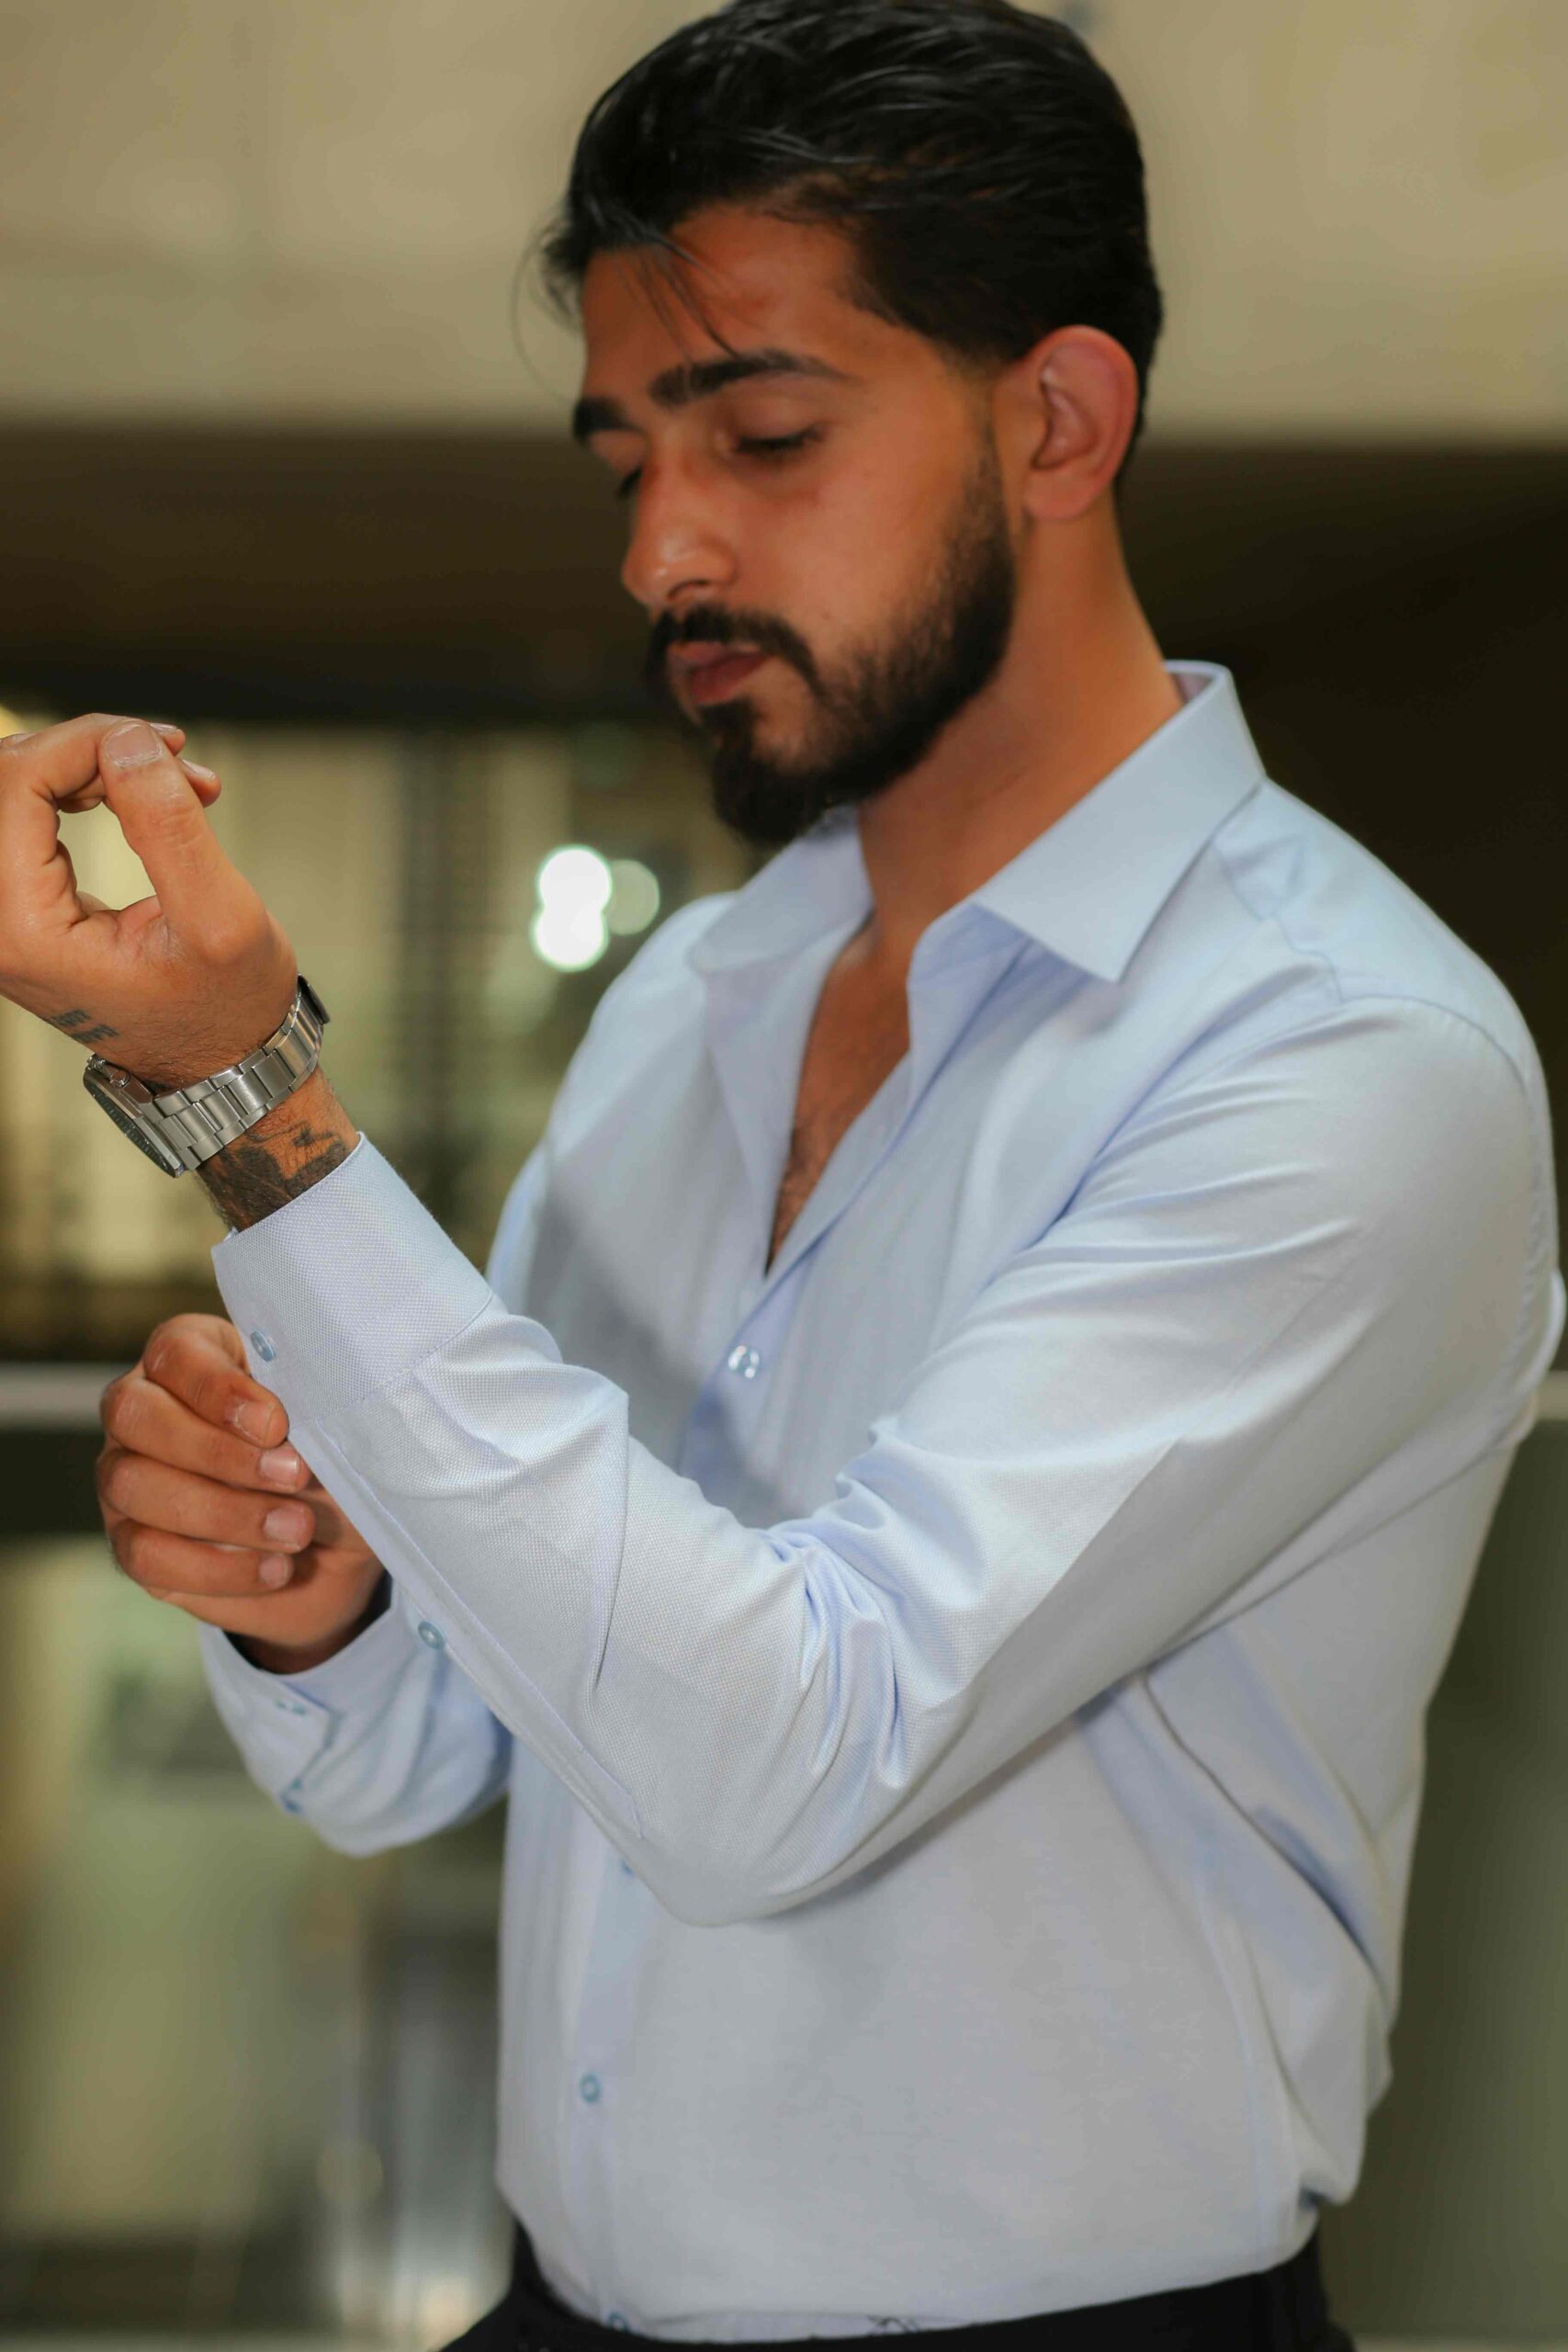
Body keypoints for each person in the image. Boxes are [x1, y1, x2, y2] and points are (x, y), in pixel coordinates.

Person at [0, 2, 1557, 2346]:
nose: (663, 548)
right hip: (554, 2296)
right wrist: (314, 1597)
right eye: (625, 457)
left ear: (1056, 421)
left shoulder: (1340, 1056)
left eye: (762, 436)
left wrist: (254, 1105)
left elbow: (782, 1756)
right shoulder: (697, 994)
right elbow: (440, 1742)